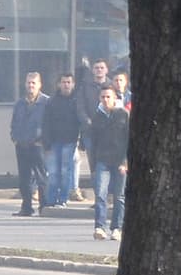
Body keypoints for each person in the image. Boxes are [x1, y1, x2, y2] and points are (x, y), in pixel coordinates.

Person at [88, 86, 130, 239]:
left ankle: (117, 228)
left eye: (108, 97)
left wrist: (125, 162)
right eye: (103, 97)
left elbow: (129, 139)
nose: (105, 100)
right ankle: (99, 227)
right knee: (100, 194)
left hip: (119, 161)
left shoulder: (123, 115)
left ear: (114, 98)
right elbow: (93, 143)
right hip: (102, 161)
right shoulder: (97, 117)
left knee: (119, 196)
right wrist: (93, 166)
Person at [40, 74, 85, 211]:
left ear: (73, 84)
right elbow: (46, 122)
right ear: (59, 84)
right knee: (53, 173)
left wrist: (81, 140)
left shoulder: (77, 101)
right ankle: (51, 200)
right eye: (64, 82)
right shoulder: (52, 101)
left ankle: (62, 199)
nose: (66, 85)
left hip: (70, 142)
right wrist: (46, 142)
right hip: (54, 142)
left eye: (69, 82)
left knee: (66, 172)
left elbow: (81, 121)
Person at [9, 72, 47, 217]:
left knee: (41, 178)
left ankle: (44, 207)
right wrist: (14, 137)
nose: (31, 85)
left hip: (38, 146)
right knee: (24, 179)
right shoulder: (19, 103)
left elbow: (49, 124)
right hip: (21, 145)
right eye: (29, 83)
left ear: (39, 85)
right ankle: (26, 207)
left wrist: (42, 140)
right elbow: (14, 122)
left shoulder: (46, 102)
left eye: (34, 83)